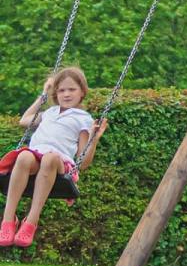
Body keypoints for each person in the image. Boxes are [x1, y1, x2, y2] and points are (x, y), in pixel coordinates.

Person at [0, 68, 107, 248]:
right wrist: (43, 94)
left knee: (49, 158)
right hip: (36, 157)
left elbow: (83, 161)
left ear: (82, 91)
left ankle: (31, 221)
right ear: (55, 93)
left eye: (71, 89)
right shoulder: (49, 113)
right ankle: (8, 220)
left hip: (59, 163)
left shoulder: (84, 119)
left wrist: (94, 139)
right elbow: (24, 121)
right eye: (61, 90)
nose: (66, 94)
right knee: (24, 155)